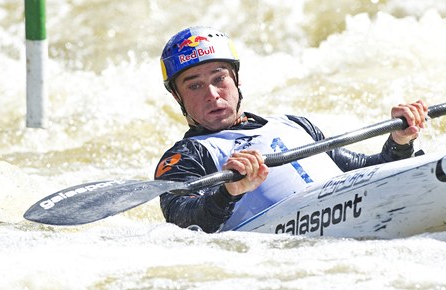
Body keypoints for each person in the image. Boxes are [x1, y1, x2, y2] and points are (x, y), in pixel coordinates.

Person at [155, 26, 428, 233]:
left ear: (236, 79)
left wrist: (399, 142)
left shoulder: (294, 124)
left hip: (353, 215)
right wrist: (228, 192)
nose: (213, 95)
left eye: (219, 78)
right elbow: (182, 220)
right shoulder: (184, 157)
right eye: (194, 86)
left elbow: (364, 172)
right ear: (177, 97)